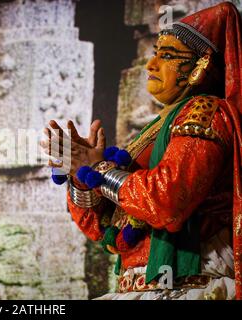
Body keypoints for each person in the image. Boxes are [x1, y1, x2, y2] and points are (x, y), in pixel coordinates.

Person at [42, 2, 242, 300]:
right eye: (155, 54)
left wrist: (99, 170)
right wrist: (80, 175)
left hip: (190, 283)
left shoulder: (205, 110)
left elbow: (168, 201)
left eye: (169, 56)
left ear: (201, 65)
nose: (152, 65)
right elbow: (102, 227)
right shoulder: (153, 129)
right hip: (140, 287)